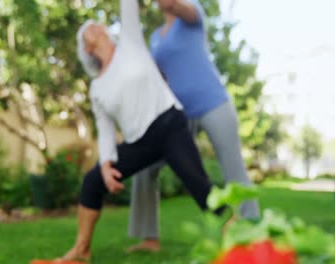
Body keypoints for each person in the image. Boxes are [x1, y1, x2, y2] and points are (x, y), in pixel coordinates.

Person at [57, 0, 222, 261]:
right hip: (140, 143)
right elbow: (106, 129)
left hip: (169, 125)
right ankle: (81, 250)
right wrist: (106, 165)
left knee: (201, 187)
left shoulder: (130, 44)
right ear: (87, 47)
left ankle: (239, 236)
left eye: (97, 24)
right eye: (88, 28)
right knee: (92, 182)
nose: (95, 26)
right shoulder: (97, 88)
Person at [127, 0, 260, 253]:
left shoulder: (192, 15)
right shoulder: (155, 37)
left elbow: (179, 7)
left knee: (233, 167)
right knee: (145, 168)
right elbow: (157, 78)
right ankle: (148, 238)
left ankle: (250, 230)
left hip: (213, 103)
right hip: (178, 116)